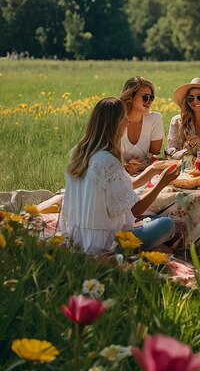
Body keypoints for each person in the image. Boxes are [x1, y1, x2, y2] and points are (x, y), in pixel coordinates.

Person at [60, 97, 181, 255]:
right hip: (106, 243)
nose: (128, 122)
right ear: (115, 124)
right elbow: (136, 210)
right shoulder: (109, 162)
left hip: (78, 238)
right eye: (125, 118)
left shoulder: (79, 152)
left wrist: (151, 170)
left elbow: (126, 185)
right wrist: (162, 183)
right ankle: (151, 249)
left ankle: (158, 248)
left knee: (150, 220)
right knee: (166, 224)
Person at [119, 76, 165, 175]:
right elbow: (105, 155)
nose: (149, 101)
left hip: (144, 174)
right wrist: (124, 166)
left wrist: (140, 166)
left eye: (151, 98)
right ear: (130, 96)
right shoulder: (115, 120)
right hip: (116, 174)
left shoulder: (155, 119)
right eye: (145, 97)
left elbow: (154, 155)